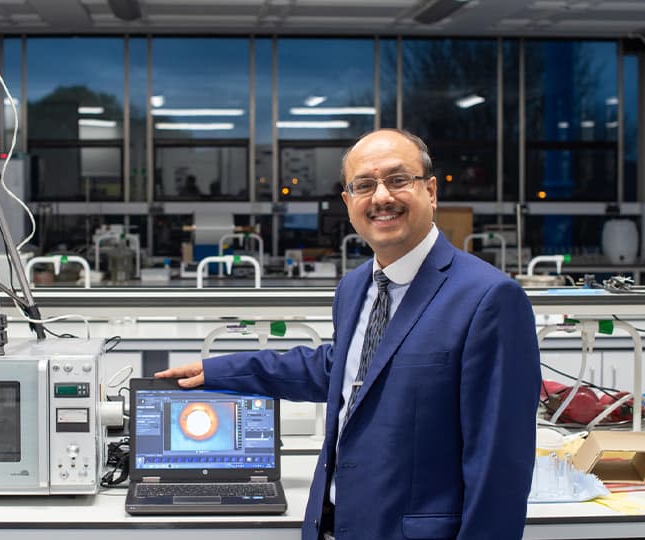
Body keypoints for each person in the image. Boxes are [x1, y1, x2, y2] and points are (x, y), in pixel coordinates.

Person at [157, 128, 541, 540]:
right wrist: (219, 373)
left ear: (430, 191)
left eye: (398, 180)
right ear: (348, 201)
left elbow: (500, 470)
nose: (381, 197)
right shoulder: (355, 287)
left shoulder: (488, 298)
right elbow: (340, 369)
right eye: (364, 185)